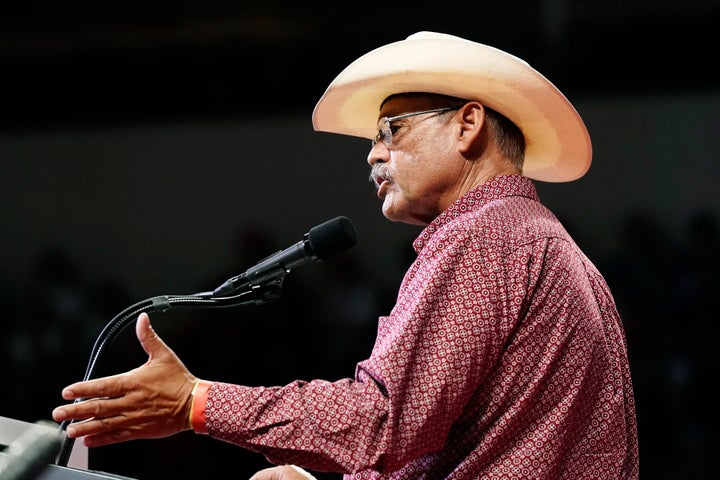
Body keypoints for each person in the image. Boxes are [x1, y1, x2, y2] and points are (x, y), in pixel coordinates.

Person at [52, 31, 639, 479]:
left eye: (392, 130)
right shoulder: (546, 243)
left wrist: (196, 402)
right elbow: (452, 442)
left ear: (467, 125)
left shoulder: (484, 238)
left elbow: (382, 422)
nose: (372, 156)